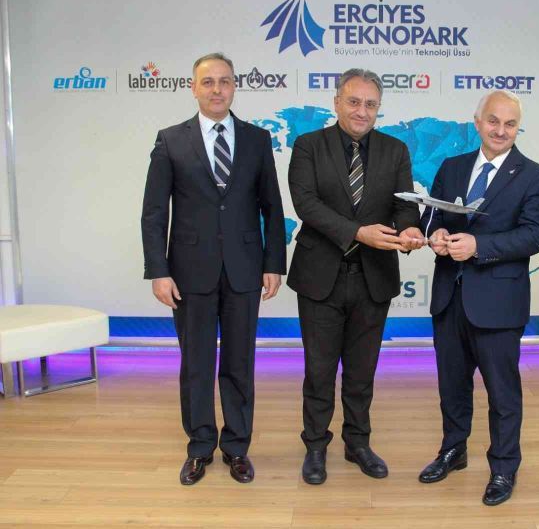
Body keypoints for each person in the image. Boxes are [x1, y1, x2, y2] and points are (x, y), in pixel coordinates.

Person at [141, 53, 286, 486]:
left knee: (240, 363)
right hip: (188, 272)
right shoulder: (171, 140)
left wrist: (273, 263)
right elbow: (154, 213)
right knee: (197, 364)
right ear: (193, 87)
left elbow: (272, 208)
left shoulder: (257, 139)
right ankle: (200, 447)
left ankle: (237, 447)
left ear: (234, 86)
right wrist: (158, 270)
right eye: (208, 82)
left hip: (245, 270)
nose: (216, 89)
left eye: (224, 81)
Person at [287, 68, 424, 485]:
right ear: (336, 103)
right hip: (320, 276)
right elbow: (306, 204)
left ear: (378, 108)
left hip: (373, 277)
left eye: (370, 104)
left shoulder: (395, 150)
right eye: (353, 102)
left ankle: (357, 443)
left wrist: (410, 229)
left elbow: (404, 205)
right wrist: (357, 232)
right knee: (319, 371)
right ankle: (315, 446)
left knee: (362, 371)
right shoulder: (308, 146)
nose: (361, 111)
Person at [417, 91, 539, 506]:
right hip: (449, 297)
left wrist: (478, 246)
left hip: (498, 303)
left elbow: (533, 235)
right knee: (451, 386)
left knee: (502, 393)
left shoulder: (535, 176)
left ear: (518, 128)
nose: (500, 130)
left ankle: (504, 467)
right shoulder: (452, 167)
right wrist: (436, 234)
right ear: (477, 122)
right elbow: (431, 216)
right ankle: (453, 450)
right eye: (493, 121)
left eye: (510, 124)